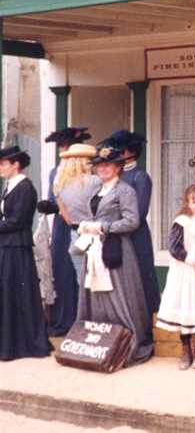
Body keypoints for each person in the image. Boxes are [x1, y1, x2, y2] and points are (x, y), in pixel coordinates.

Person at [100, 130, 160, 322]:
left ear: (129, 152)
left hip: (135, 235)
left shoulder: (140, 176)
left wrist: (115, 224)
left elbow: (139, 213)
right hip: (117, 235)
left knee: (141, 279)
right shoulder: (115, 177)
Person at [156, 185, 195, 370]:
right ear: (188, 204)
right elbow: (175, 248)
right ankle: (185, 350)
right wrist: (193, 262)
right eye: (194, 201)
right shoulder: (182, 221)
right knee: (184, 308)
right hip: (185, 270)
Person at [0, 146, 52, 361]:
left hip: (17, 247)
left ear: (16, 165)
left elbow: (17, 221)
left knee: (17, 292)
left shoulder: (25, 188)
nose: (1, 167)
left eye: (3, 163)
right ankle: (9, 343)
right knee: (7, 292)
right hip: (6, 245)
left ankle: (24, 344)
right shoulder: (10, 186)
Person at [38, 126, 91, 336]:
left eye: (67, 145)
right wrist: (49, 206)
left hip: (81, 225)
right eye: (61, 146)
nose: (63, 149)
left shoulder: (88, 172)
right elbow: (56, 201)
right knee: (61, 271)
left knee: (79, 273)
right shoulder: (55, 172)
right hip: (61, 225)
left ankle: (81, 320)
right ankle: (61, 320)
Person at [53, 144, 101, 282]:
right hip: (95, 235)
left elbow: (67, 219)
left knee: (82, 283)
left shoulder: (59, 186)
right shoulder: (95, 181)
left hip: (75, 235)